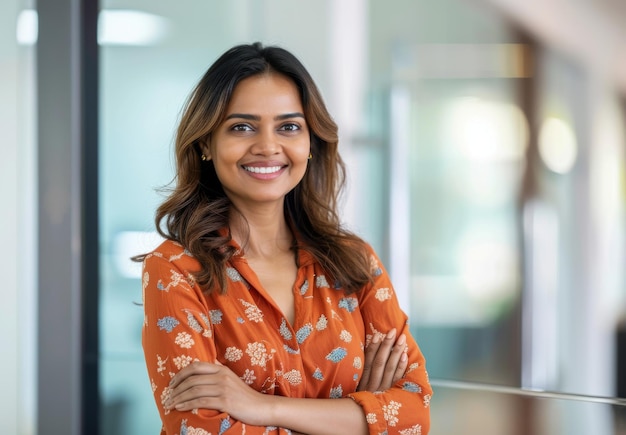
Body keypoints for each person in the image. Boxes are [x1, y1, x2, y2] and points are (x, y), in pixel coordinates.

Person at [140, 42, 432, 435]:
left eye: (289, 127)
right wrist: (359, 419)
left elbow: (414, 414)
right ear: (207, 143)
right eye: (241, 127)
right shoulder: (176, 271)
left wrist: (262, 408)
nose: (267, 146)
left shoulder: (354, 262)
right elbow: (199, 429)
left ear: (311, 143)